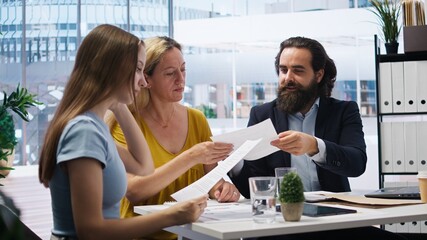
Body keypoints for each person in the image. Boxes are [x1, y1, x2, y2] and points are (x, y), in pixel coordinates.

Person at [38, 24, 208, 240]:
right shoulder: (84, 133)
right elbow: (90, 231)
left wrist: (118, 104)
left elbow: (143, 167)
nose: (143, 81)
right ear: (112, 70)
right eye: (138, 69)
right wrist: (172, 215)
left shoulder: (95, 127)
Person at [229, 36, 407, 240]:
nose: (288, 78)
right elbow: (253, 188)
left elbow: (356, 164)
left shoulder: (343, 111)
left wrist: (314, 145)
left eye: (298, 70)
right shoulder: (262, 115)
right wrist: (235, 162)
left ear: (319, 74)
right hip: (282, 225)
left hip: (334, 221)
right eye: (283, 70)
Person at [107, 36, 239, 240]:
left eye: (183, 69)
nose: (181, 79)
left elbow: (211, 180)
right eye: (170, 73)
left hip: (193, 233)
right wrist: (191, 156)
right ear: (146, 79)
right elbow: (133, 190)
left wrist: (222, 188)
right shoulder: (126, 123)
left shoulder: (197, 119)